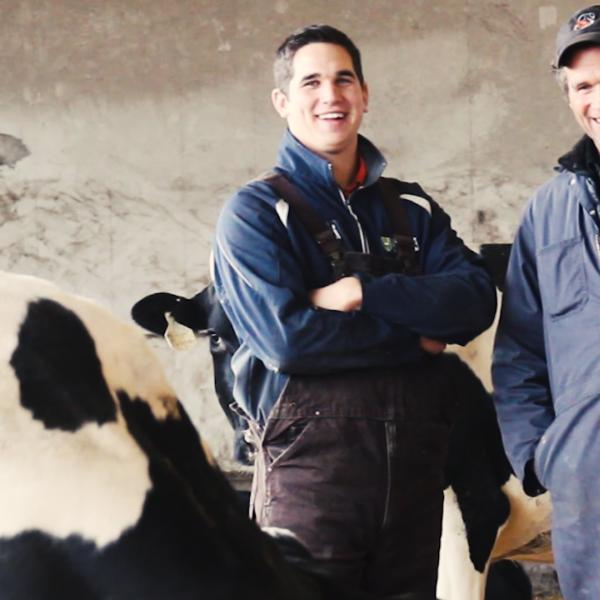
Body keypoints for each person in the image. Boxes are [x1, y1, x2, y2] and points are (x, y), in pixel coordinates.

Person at [213, 24, 496, 599]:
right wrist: (413, 342)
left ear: (364, 95)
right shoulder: (255, 213)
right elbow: (287, 341)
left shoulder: (411, 209)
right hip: (311, 486)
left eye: (344, 79)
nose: (331, 95)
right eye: (311, 81)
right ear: (283, 101)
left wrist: (362, 293)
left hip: (416, 485)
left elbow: (473, 300)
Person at [492, 5, 600, 599]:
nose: (597, 99)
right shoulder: (549, 210)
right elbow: (521, 349)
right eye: (584, 86)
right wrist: (541, 455)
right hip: (590, 492)